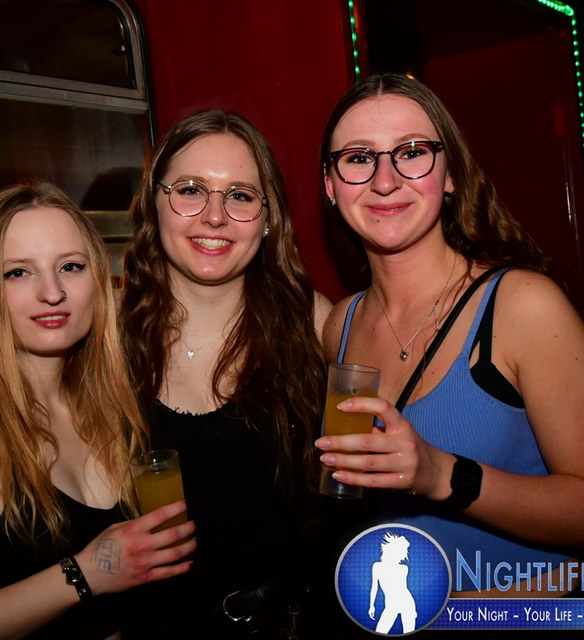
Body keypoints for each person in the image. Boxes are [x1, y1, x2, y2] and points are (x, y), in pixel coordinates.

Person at [316, 73, 584, 600]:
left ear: (451, 174)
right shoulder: (340, 326)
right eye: (358, 157)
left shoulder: (523, 306)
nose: (385, 180)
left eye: (412, 152)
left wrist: (441, 474)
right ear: (331, 185)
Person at [0, 183, 196, 640]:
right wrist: (84, 575)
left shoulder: (108, 405)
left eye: (71, 267)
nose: (53, 292)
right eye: (17, 272)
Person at [121, 109, 331, 637]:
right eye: (190, 190)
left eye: (240, 195)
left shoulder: (312, 324)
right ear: (154, 203)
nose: (214, 217)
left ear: (268, 217)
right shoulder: (105, 339)